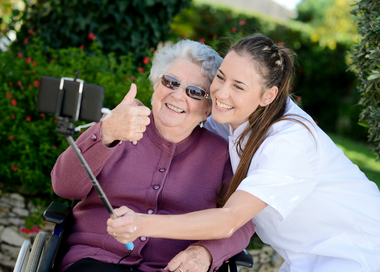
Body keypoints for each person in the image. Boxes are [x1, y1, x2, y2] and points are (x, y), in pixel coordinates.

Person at [107, 34, 380, 272]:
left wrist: (142, 224)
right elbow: (179, 121)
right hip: (306, 255)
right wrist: (122, 122)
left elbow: (230, 220)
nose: (221, 94)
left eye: (238, 86)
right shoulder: (231, 117)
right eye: (221, 78)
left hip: (358, 252)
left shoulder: (289, 143)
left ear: (268, 95)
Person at [51, 39, 255, 272]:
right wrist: (106, 133)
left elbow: (241, 222)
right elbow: (64, 186)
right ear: (156, 84)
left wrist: (207, 252)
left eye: (195, 92)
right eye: (171, 82)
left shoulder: (222, 155)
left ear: (208, 109)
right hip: (96, 260)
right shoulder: (119, 125)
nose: (178, 96)